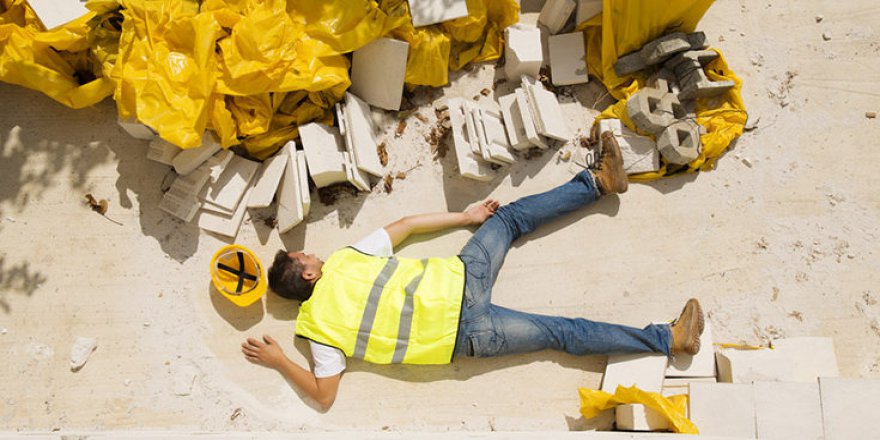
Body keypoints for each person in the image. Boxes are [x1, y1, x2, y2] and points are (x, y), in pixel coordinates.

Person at [241, 132, 705, 408]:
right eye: (307, 259)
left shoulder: (318, 332)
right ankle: (598, 182)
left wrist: (282, 360)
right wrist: (466, 218)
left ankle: (667, 339)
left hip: (467, 338)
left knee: (563, 332)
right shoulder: (345, 262)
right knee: (509, 218)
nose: (314, 256)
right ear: (308, 277)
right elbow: (403, 227)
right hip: (463, 281)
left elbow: (323, 395)